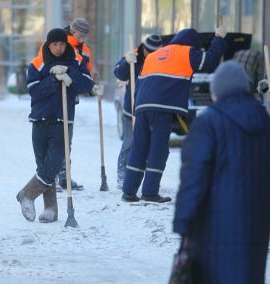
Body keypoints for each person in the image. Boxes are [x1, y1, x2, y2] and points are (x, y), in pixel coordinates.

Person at [173, 61, 270, 284]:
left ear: (217, 92)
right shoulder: (264, 121)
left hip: (214, 227)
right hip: (257, 225)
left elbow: (193, 177)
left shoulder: (208, 123)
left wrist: (183, 221)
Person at [121, 27, 227, 203]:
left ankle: (129, 191)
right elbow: (209, 61)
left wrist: (137, 108)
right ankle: (150, 192)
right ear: (192, 43)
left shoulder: (155, 55)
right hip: (162, 108)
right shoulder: (188, 52)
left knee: (139, 147)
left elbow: (141, 83)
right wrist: (219, 39)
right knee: (158, 149)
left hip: (142, 106)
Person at [17, 28, 94, 223]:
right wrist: (53, 80)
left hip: (62, 120)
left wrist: (69, 75)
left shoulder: (75, 60)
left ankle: (27, 194)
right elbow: (33, 91)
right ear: (48, 44)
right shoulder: (37, 63)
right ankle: (51, 210)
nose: (59, 48)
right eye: (55, 44)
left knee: (53, 164)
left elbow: (86, 84)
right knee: (43, 165)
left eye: (62, 44)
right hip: (40, 119)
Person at [114, 34, 162, 190]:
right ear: (144, 48)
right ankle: (122, 175)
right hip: (131, 110)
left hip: (149, 109)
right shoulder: (133, 56)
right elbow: (119, 73)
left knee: (147, 146)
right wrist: (127, 63)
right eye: (148, 52)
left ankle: (144, 178)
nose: (150, 55)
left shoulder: (162, 60)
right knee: (129, 144)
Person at [55, 18, 94, 192]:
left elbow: (87, 71)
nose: (83, 39)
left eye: (85, 36)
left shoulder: (84, 50)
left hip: (70, 97)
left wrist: (92, 86)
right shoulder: (60, 44)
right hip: (55, 97)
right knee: (56, 139)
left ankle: (64, 177)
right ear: (72, 30)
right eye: (80, 35)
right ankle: (52, 177)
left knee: (67, 140)